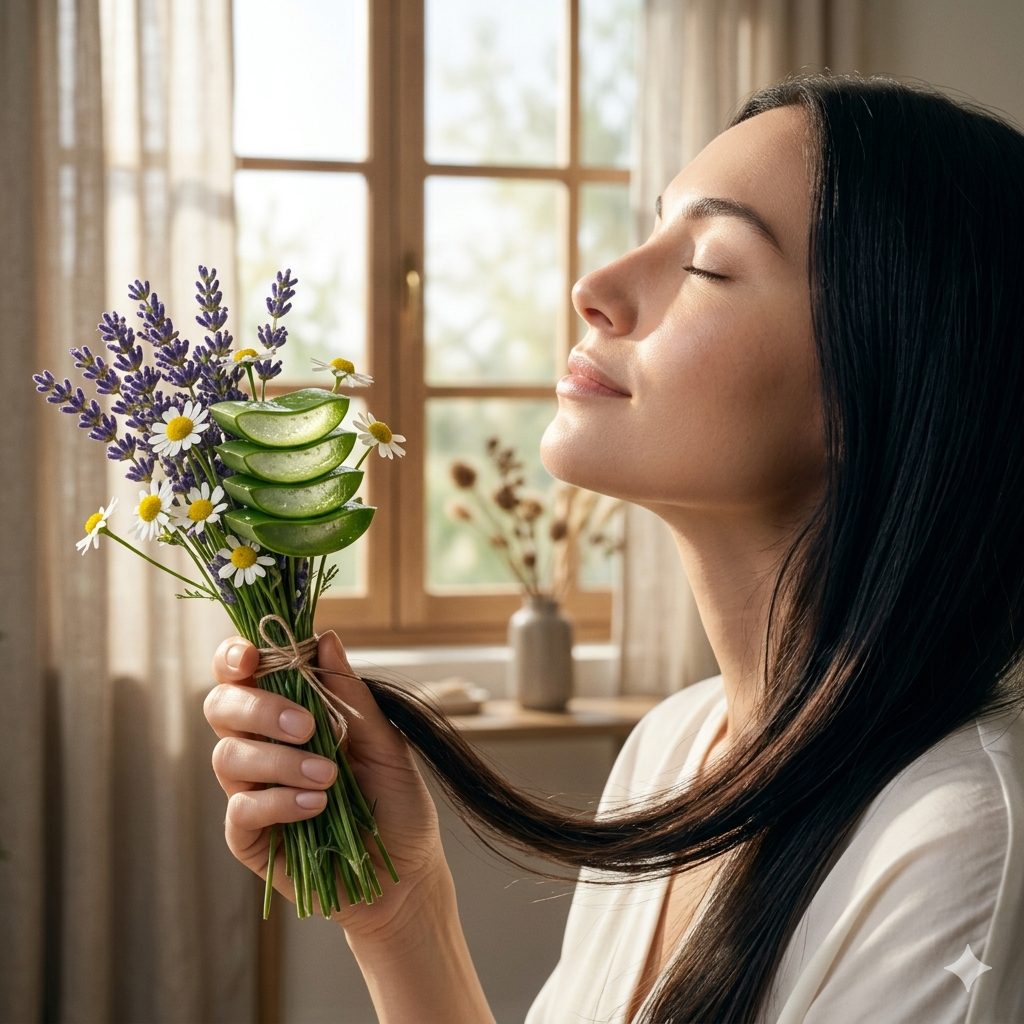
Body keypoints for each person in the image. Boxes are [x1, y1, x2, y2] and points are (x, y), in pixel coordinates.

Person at [204, 76, 1024, 1023]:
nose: (593, 289)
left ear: (882, 387)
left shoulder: (955, 844)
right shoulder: (676, 748)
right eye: (654, 229)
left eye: (709, 263)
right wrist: (402, 918)